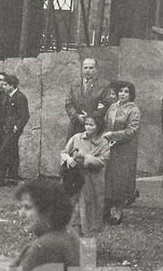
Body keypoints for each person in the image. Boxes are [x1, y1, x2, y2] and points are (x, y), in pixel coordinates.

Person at [60, 113, 110, 236]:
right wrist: (68, 158)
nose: (87, 127)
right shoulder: (76, 137)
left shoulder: (103, 143)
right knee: (75, 208)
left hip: (93, 181)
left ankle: (88, 240)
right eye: (86, 124)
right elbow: (64, 152)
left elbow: (102, 161)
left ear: (98, 127)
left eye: (91, 125)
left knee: (90, 210)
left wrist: (84, 157)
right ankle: (74, 238)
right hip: (76, 179)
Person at [101, 80, 141, 225]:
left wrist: (113, 135)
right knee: (108, 178)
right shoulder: (112, 107)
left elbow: (132, 130)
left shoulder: (133, 110)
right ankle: (105, 210)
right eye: (121, 91)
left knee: (121, 180)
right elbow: (106, 124)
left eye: (126, 92)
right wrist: (106, 136)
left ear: (131, 95)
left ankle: (118, 212)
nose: (123, 94)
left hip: (124, 150)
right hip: (110, 148)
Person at [0, 74, 29, 186]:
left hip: (13, 130)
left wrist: (17, 127)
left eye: (5, 85)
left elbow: (25, 115)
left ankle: (0, 179)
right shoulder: (8, 97)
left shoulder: (20, 97)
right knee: (13, 152)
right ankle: (12, 178)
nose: (3, 87)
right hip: (7, 129)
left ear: (12, 86)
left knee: (3, 151)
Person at [64, 57, 112, 137]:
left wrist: (91, 116)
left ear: (96, 70)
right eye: (85, 68)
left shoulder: (104, 85)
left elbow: (107, 106)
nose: (88, 70)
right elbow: (69, 104)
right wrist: (77, 116)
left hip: (94, 127)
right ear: (82, 69)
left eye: (91, 68)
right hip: (76, 126)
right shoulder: (75, 85)